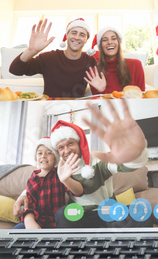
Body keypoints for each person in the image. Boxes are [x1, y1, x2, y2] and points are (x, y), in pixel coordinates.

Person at [13, 100, 150, 229]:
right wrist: (23, 195)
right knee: (62, 214)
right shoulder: (59, 168)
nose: (66, 150)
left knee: (143, 214)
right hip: (80, 214)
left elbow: (124, 166)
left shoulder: (98, 160)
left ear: (80, 142)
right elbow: (40, 182)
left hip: (108, 210)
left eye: (70, 143)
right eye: (61, 147)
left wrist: (135, 154)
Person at [8, 17, 98, 98]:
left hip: (75, 110)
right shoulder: (49, 58)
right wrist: (31, 50)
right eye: (74, 33)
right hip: (49, 108)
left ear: (86, 40)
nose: (77, 37)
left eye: (82, 35)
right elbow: (15, 70)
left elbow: (101, 85)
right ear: (66, 36)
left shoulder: (90, 61)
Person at [14, 139, 68, 230]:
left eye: (48, 153)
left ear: (55, 158)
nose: (43, 156)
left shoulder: (60, 174)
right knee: (16, 230)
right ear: (36, 158)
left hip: (57, 222)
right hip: (38, 221)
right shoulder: (32, 180)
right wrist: (30, 222)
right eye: (40, 153)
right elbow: (30, 205)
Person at [84, 24, 146, 94]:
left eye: (113, 38)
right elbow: (100, 103)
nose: (110, 42)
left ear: (118, 43)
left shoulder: (135, 65)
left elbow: (142, 96)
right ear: (100, 46)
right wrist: (102, 90)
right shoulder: (94, 72)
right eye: (105, 40)